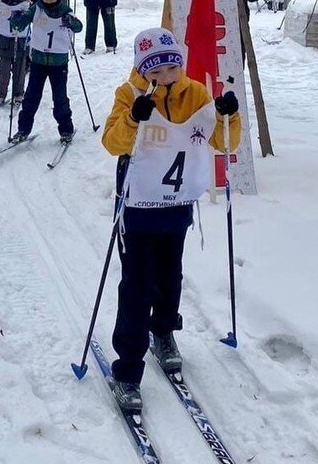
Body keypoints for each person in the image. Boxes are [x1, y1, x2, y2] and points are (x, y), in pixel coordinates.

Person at [101, 27, 242, 411]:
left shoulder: (196, 93)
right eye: (158, 70)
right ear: (144, 70)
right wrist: (134, 117)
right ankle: (127, 368)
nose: (167, 76)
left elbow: (224, 142)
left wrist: (229, 116)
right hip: (138, 205)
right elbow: (111, 142)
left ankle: (163, 332)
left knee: (169, 276)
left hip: (177, 204)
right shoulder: (129, 94)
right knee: (136, 284)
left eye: (172, 67)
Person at [9, 0, 83, 143]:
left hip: (59, 62)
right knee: (31, 97)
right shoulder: (36, 9)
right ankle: (23, 129)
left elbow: (79, 27)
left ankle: (66, 130)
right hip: (38, 61)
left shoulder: (65, 11)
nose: (48, 0)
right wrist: (17, 20)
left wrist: (71, 22)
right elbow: (21, 23)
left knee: (60, 98)